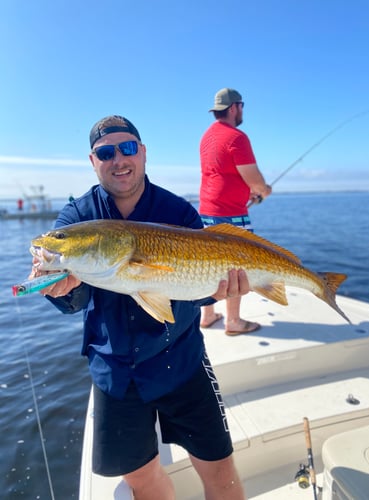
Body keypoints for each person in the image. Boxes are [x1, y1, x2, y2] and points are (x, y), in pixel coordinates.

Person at [29, 115, 250, 500]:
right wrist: (59, 287)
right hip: (116, 373)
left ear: (143, 153)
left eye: (128, 148)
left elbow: (196, 289)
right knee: (142, 479)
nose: (119, 159)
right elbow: (72, 300)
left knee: (222, 472)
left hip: (181, 360)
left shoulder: (179, 213)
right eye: (106, 152)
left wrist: (219, 291)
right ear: (93, 160)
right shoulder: (78, 218)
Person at [199, 88, 272, 336]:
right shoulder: (237, 137)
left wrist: (247, 192)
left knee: (206, 266)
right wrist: (264, 190)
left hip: (206, 212)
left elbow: (224, 176)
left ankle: (208, 315)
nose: (242, 111)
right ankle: (233, 321)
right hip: (231, 215)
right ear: (234, 107)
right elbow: (254, 178)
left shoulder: (207, 137)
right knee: (237, 268)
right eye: (242, 106)